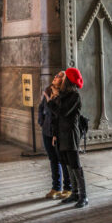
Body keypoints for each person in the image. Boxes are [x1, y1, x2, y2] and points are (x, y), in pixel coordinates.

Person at [46, 67, 88, 209]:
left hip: (70, 134)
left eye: (64, 78)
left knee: (75, 164)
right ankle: (74, 193)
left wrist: (51, 102)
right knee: (67, 163)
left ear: (68, 80)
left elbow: (62, 112)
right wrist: (55, 134)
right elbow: (57, 117)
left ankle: (83, 196)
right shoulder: (63, 94)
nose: (61, 79)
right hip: (61, 134)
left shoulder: (75, 96)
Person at [38, 71, 72, 200]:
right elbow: (41, 107)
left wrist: (56, 132)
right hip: (47, 130)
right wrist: (41, 122)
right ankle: (56, 187)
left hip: (57, 131)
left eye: (59, 76)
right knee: (53, 159)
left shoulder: (65, 95)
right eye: (56, 75)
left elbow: (60, 114)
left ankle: (68, 187)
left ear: (63, 81)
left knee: (62, 159)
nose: (55, 77)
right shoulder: (48, 90)